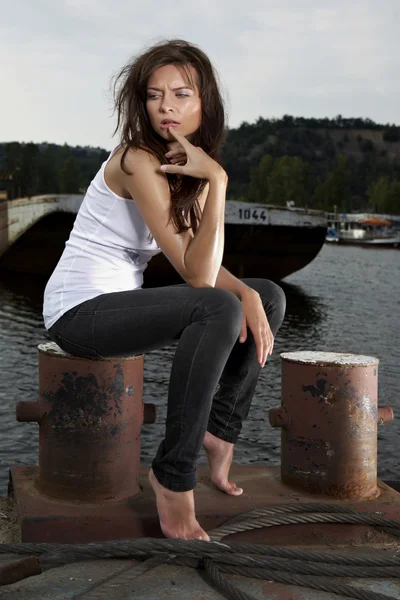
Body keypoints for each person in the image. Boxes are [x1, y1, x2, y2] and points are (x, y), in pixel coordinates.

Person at [43, 39, 286, 541]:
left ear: (205, 104)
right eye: (155, 96)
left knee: (266, 295)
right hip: (78, 313)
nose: (167, 107)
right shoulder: (137, 159)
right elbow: (197, 279)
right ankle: (173, 477)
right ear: (141, 103)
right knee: (219, 305)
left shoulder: (185, 165)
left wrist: (251, 294)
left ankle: (220, 432)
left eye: (181, 94)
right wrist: (218, 180)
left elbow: (205, 265)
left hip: (118, 306)